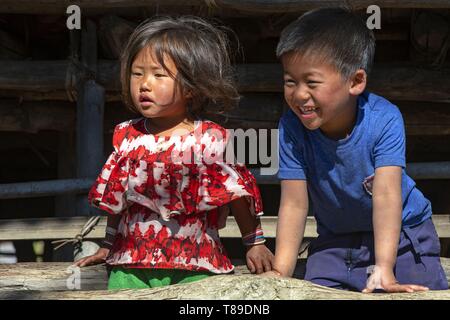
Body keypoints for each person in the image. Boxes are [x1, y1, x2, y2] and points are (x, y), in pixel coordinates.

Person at [74, 16, 274, 290]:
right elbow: (118, 199)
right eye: (137, 73)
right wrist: (109, 244)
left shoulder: (211, 140)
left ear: (191, 88)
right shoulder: (127, 137)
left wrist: (254, 243)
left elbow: (237, 194)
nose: (145, 84)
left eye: (158, 75)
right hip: (131, 266)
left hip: (197, 264)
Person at [263, 7, 448, 293]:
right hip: (336, 240)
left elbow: (386, 195)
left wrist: (384, 268)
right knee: (314, 292)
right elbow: (294, 203)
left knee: (415, 290)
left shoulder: (384, 119)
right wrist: (282, 271)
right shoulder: (291, 127)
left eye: (311, 82)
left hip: (402, 235)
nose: (299, 94)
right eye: (290, 81)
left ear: (356, 81)